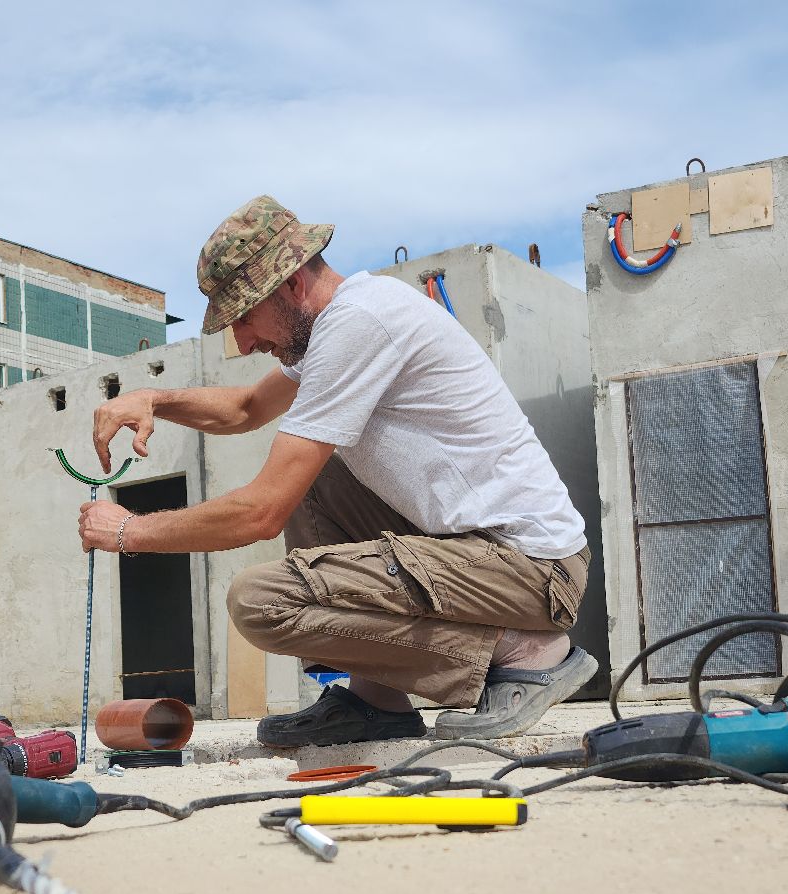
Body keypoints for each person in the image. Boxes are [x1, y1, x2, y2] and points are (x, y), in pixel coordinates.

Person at [79, 195, 595, 747]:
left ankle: (526, 654)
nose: (245, 342)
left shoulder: (360, 322)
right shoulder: (339, 325)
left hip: (531, 569)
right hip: (481, 555)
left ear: (291, 284)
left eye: (245, 317)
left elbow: (260, 514)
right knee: (315, 477)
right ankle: (376, 702)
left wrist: (129, 531)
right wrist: (154, 399)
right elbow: (246, 408)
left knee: (262, 602)